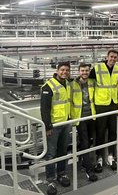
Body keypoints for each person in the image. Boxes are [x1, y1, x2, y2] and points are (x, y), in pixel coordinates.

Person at [40, 62, 72, 195]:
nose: (64, 72)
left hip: (65, 123)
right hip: (53, 126)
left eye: (67, 70)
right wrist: (47, 127)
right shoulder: (48, 86)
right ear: (57, 71)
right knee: (51, 154)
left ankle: (62, 174)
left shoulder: (68, 84)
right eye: (62, 70)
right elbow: (44, 109)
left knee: (63, 151)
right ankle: (50, 179)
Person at [89, 49, 118, 172]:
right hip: (101, 105)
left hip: (113, 104)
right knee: (100, 133)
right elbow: (89, 84)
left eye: (115, 57)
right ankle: (99, 158)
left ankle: (111, 156)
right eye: (111, 57)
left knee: (113, 132)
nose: (113, 59)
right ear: (107, 57)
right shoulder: (97, 68)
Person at [69, 63, 98, 182]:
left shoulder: (92, 82)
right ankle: (89, 169)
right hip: (80, 118)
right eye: (82, 71)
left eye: (86, 71)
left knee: (89, 141)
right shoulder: (72, 84)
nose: (84, 72)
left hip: (92, 116)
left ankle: (82, 160)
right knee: (85, 142)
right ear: (79, 71)